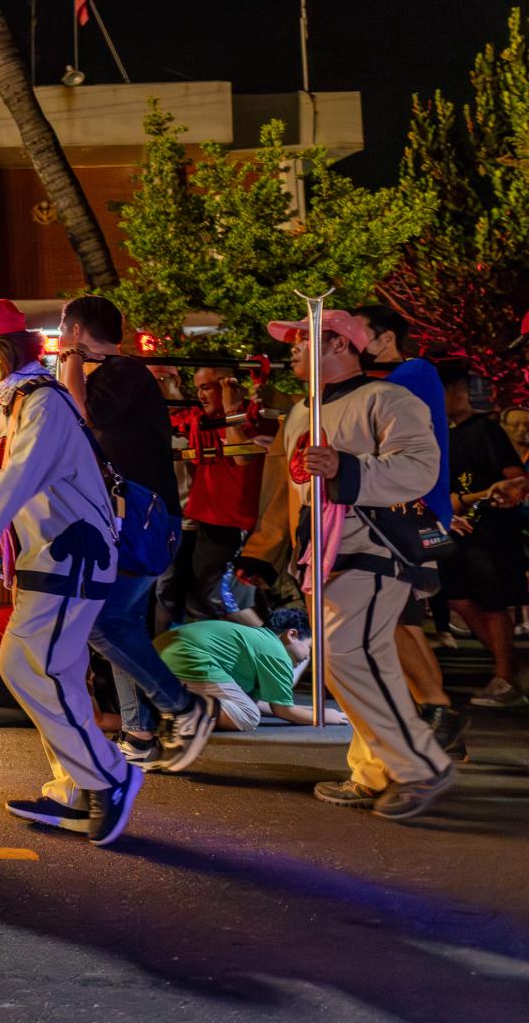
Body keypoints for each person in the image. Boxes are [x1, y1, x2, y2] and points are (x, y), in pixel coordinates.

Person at [0, 299, 140, 845]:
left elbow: (13, 480)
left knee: (28, 667)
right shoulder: (14, 405)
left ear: (1, 350)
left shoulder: (42, 405)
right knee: (52, 673)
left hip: (70, 556)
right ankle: (77, 787)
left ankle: (106, 778)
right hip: (51, 558)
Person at [237, 311, 454, 820]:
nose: (292, 347)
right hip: (322, 558)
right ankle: (376, 769)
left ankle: (421, 765)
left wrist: (346, 468)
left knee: (347, 657)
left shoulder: (386, 398)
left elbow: (422, 467)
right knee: (353, 664)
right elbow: (284, 492)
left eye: (302, 339)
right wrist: (264, 552)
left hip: (375, 551)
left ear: (338, 344)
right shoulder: (300, 413)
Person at [58, 295, 217, 775]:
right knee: (118, 624)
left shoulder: (124, 372)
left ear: (77, 330)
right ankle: (140, 733)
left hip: (145, 522)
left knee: (103, 623)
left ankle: (183, 706)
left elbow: (81, 415)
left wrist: (70, 365)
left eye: (65, 332)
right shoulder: (113, 375)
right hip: (129, 521)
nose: (60, 341)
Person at [353, 304, 466, 756]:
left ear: (386, 339)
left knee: (392, 618)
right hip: (401, 512)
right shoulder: (391, 378)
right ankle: (440, 722)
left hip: (409, 512)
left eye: (357, 335)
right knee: (403, 620)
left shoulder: (414, 372)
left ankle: (438, 711)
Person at [437, 360, 528, 708]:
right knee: (458, 598)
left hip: (490, 532)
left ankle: (505, 678)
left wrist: (488, 494)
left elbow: (515, 477)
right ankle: (509, 669)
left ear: (457, 391)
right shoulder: (448, 434)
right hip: (461, 532)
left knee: (492, 603)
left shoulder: (486, 431)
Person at [162, 368, 264, 626]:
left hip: (230, 520)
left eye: (207, 387)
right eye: (198, 388)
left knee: (212, 598)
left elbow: (241, 456)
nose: (200, 395)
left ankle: (284, 651)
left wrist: (232, 410)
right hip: (208, 519)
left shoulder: (250, 415)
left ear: (228, 386)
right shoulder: (205, 420)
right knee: (199, 597)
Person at [155, 607, 346, 732]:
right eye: (309, 648)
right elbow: (283, 711)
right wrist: (327, 716)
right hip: (187, 657)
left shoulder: (259, 642)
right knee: (247, 717)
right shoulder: (276, 651)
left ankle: (166, 704)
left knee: (247, 706)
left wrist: (317, 709)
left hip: (165, 655)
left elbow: (264, 703)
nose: (308, 657)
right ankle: (177, 712)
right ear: (292, 635)